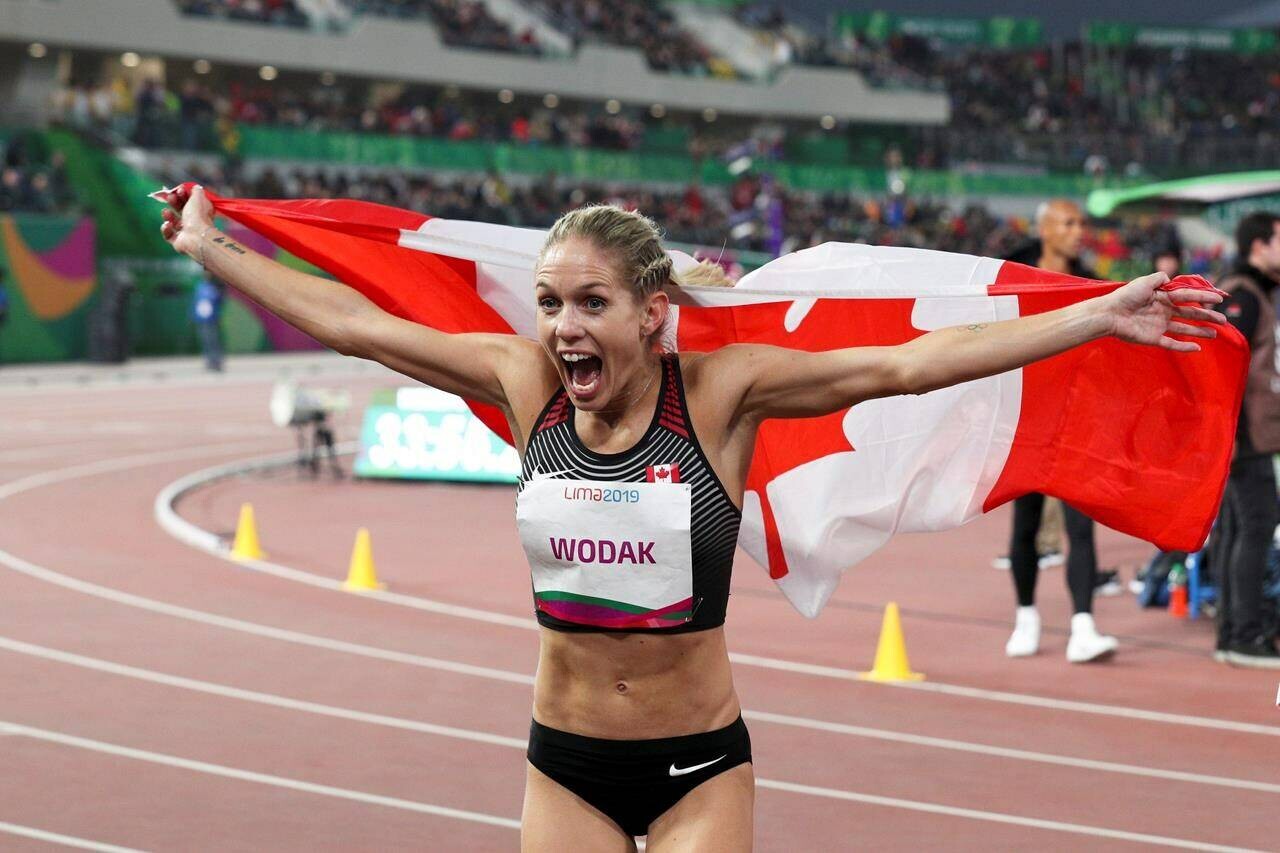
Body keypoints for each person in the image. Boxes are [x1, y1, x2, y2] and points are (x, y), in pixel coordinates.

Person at [160, 184, 1224, 848]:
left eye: (591, 304)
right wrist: (211, 244)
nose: (562, 327)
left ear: (651, 313)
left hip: (696, 769)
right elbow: (356, 324)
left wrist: (1094, 313)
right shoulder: (524, 381)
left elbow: (905, 364)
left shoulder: (721, 395)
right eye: (549, 303)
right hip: (563, 764)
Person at [1001, 199, 1118, 663]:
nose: (1079, 231)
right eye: (1069, 223)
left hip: (1076, 419)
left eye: (1082, 223)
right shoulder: (1010, 273)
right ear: (1045, 229)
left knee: (1080, 526)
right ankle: (1026, 616)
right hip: (1027, 415)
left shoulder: (1090, 282)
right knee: (1026, 524)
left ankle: (1083, 626)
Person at [1213, 211, 1280, 668]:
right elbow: (1221, 368)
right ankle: (1243, 634)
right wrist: (1232, 436)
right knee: (1255, 526)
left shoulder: (1256, 290)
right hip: (1245, 435)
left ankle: (1233, 631)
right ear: (1259, 245)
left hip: (1250, 433)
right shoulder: (1242, 294)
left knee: (1239, 529)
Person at [191, 272, 225, 371]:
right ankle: (209, 361)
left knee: (213, 340)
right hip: (201, 319)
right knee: (205, 340)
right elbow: (195, 302)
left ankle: (217, 362)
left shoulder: (216, 287)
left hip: (212, 318)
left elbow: (220, 301)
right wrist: (193, 315)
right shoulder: (200, 286)